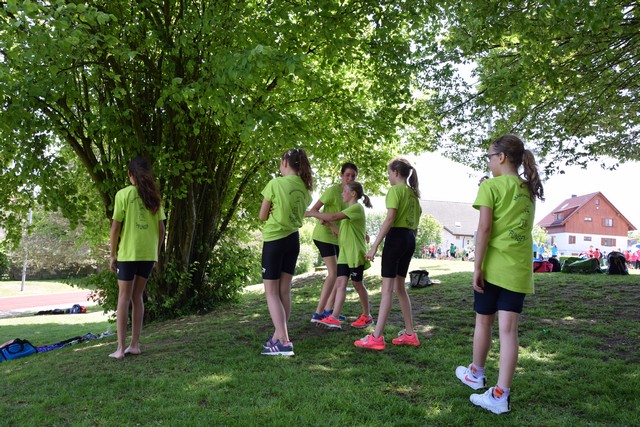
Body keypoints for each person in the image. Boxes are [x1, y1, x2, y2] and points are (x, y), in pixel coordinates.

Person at [455, 135, 544, 414]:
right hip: (518, 270)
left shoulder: (490, 187)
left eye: (490, 157)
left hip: (492, 268)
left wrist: (477, 267)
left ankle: (476, 373)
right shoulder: (528, 189)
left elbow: (484, 229)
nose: (489, 162)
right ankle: (500, 395)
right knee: (508, 332)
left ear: (501, 157)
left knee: (483, 322)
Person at [354, 158, 422, 350]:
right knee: (399, 287)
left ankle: (376, 337)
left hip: (397, 238)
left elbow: (390, 218)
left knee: (387, 290)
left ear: (396, 173)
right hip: (409, 239)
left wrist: (374, 245)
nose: (388, 176)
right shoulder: (413, 194)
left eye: (389, 173)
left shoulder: (395, 190)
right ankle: (410, 334)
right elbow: (416, 221)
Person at [109, 157, 166, 360]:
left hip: (129, 253)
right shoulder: (154, 197)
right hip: (148, 254)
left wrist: (112, 254)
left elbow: (115, 228)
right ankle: (134, 345)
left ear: (130, 174)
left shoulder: (123, 194)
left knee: (124, 298)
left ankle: (120, 348)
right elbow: (161, 230)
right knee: (137, 296)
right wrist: (155, 254)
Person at [259, 148, 313, 356]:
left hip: (275, 240)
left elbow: (262, 215)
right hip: (293, 241)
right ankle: (277, 338)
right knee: (284, 291)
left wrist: (272, 210)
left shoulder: (275, 183)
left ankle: (283, 342)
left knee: (271, 292)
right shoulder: (304, 189)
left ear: (284, 163)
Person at [306, 181, 374, 329]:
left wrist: (312, 213)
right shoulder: (348, 211)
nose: (342, 193)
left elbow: (333, 216)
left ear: (353, 194)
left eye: (345, 191)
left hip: (355, 253)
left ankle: (367, 316)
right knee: (340, 283)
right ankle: (334, 317)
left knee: (357, 284)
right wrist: (330, 225)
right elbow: (341, 233)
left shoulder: (356, 208)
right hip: (344, 254)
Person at [309, 163, 358, 324]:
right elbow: (314, 211)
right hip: (323, 236)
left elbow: (349, 217)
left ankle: (329, 310)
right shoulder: (332, 191)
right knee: (334, 273)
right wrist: (328, 222)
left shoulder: (351, 195)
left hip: (339, 238)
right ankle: (318, 313)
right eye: (347, 175)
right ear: (341, 175)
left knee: (340, 274)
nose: (350, 178)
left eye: (353, 176)